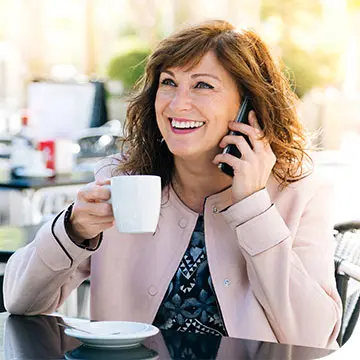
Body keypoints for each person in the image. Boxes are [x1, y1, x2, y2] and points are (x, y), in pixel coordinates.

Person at [4, 20, 342, 349]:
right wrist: (73, 230)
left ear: (247, 107)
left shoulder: (299, 191)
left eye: (203, 85)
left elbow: (315, 340)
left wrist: (255, 210)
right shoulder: (121, 181)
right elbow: (19, 302)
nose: (177, 104)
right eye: (169, 83)